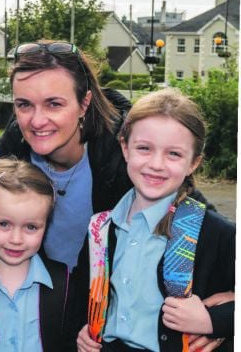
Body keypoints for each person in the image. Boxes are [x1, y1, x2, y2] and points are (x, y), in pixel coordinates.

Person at [75, 89, 235, 352]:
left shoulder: (214, 233)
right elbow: (83, 298)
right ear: (125, 148)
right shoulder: (100, 229)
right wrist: (83, 330)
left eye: (174, 154)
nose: (156, 164)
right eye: (144, 148)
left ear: (193, 162)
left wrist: (213, 321)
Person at [0, 41, 132, 270]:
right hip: (43, 297)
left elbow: (191, 214)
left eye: (54, 104)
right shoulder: (9, 154)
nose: (37, 121)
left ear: (84, 104)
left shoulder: (127, 156)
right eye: (24, 105)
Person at [0, 159, 74, 351]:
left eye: (31, 227)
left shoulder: (65, 283)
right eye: (3, 224)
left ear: (46, 225)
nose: (16, 239)